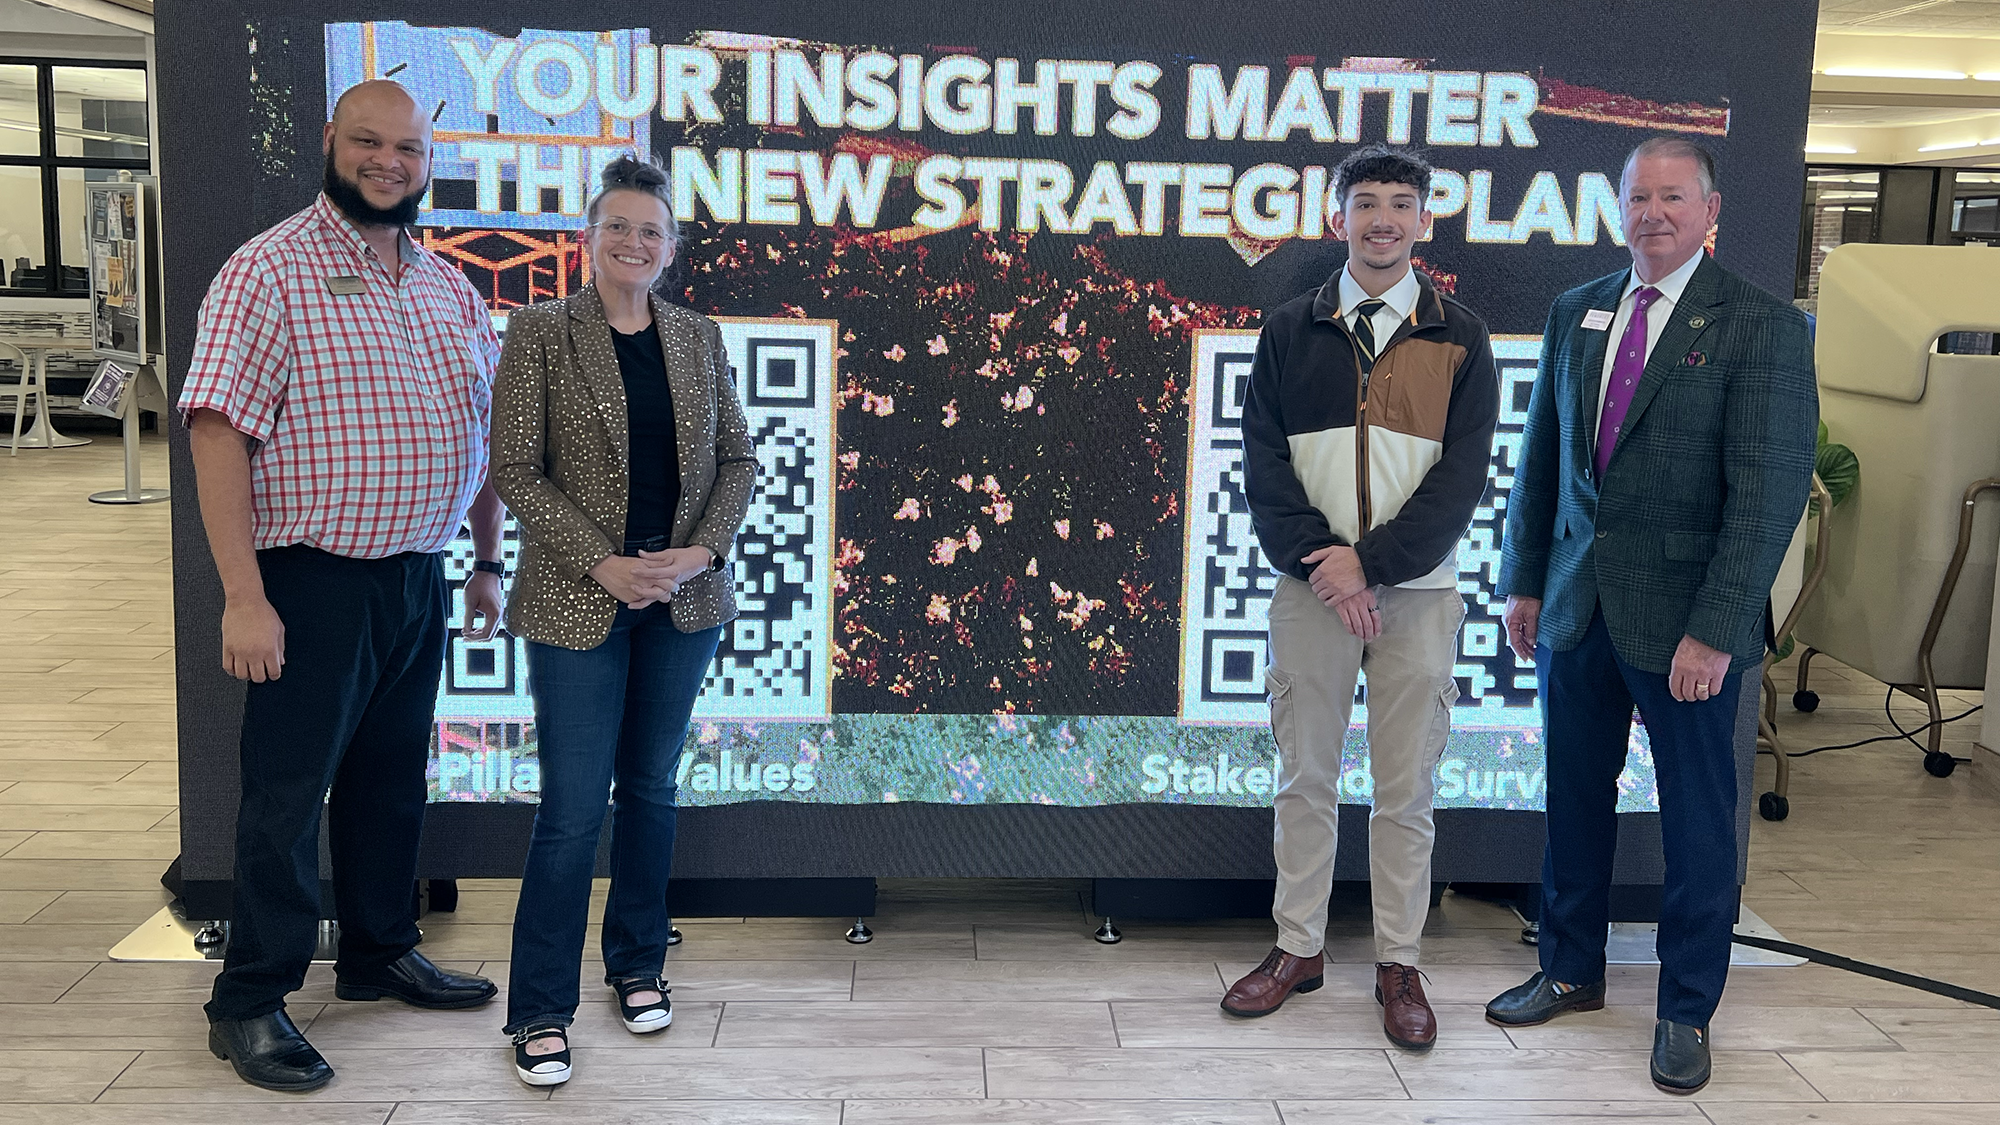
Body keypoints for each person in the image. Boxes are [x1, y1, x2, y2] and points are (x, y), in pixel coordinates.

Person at [181, 79, 505, 1093]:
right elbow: (216, 428)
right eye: (368, 141)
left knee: (387, 783)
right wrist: (244, 595)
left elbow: (483, 438)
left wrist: (487, 560)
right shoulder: (267, 270)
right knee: (285, 797)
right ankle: (250, 999)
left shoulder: (446, 284)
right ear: (331, 141)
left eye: (407, 147)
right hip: (308, 583)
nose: (389, 161)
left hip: (416, 579)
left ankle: (375, 952)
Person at [1486, 137, 1817, 1094]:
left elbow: (1765, 499)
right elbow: (1543, 459)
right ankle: (1569, 967)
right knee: (1573, 801)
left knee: (1701, 824)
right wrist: (1524, 579)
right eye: (1640, 198)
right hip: (1578, 608)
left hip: (1689, 628)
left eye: (1675, 198)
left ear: (1712, 212)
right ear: (1617, 208)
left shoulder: (1761, 327)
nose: (1655, 214)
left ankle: (1686, 1008)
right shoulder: (1576, 310)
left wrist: (1717, 629)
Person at [1226, 144, 1500, 1050]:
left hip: (1417, 596)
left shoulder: (1461, 337)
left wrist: (1370, 565)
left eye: (1401, 203)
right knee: (1303, 776)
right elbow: (1263, 468)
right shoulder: (1288, 329)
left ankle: (1399, 960)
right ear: (1337, 216)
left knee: (1405, 788)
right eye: (1367, 202)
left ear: (1426, 220)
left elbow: (1460, 484)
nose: (1383, 218)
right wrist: (1324, 563)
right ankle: (1297, 946)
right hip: (1310, 593)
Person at [492, 155, 757, 1087]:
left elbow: (739, 462)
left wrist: (702, 553)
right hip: (578, 597)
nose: (634, 244)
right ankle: (538, 1009)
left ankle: (638, 963)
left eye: (652, 231)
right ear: (589, 238)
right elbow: (516, 470)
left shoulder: (696, 334)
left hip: (682, 599)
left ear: (671, 247)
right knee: (570, 810)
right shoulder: (538, 332)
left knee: (650, 789)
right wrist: (603, 563)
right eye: (618, 228)